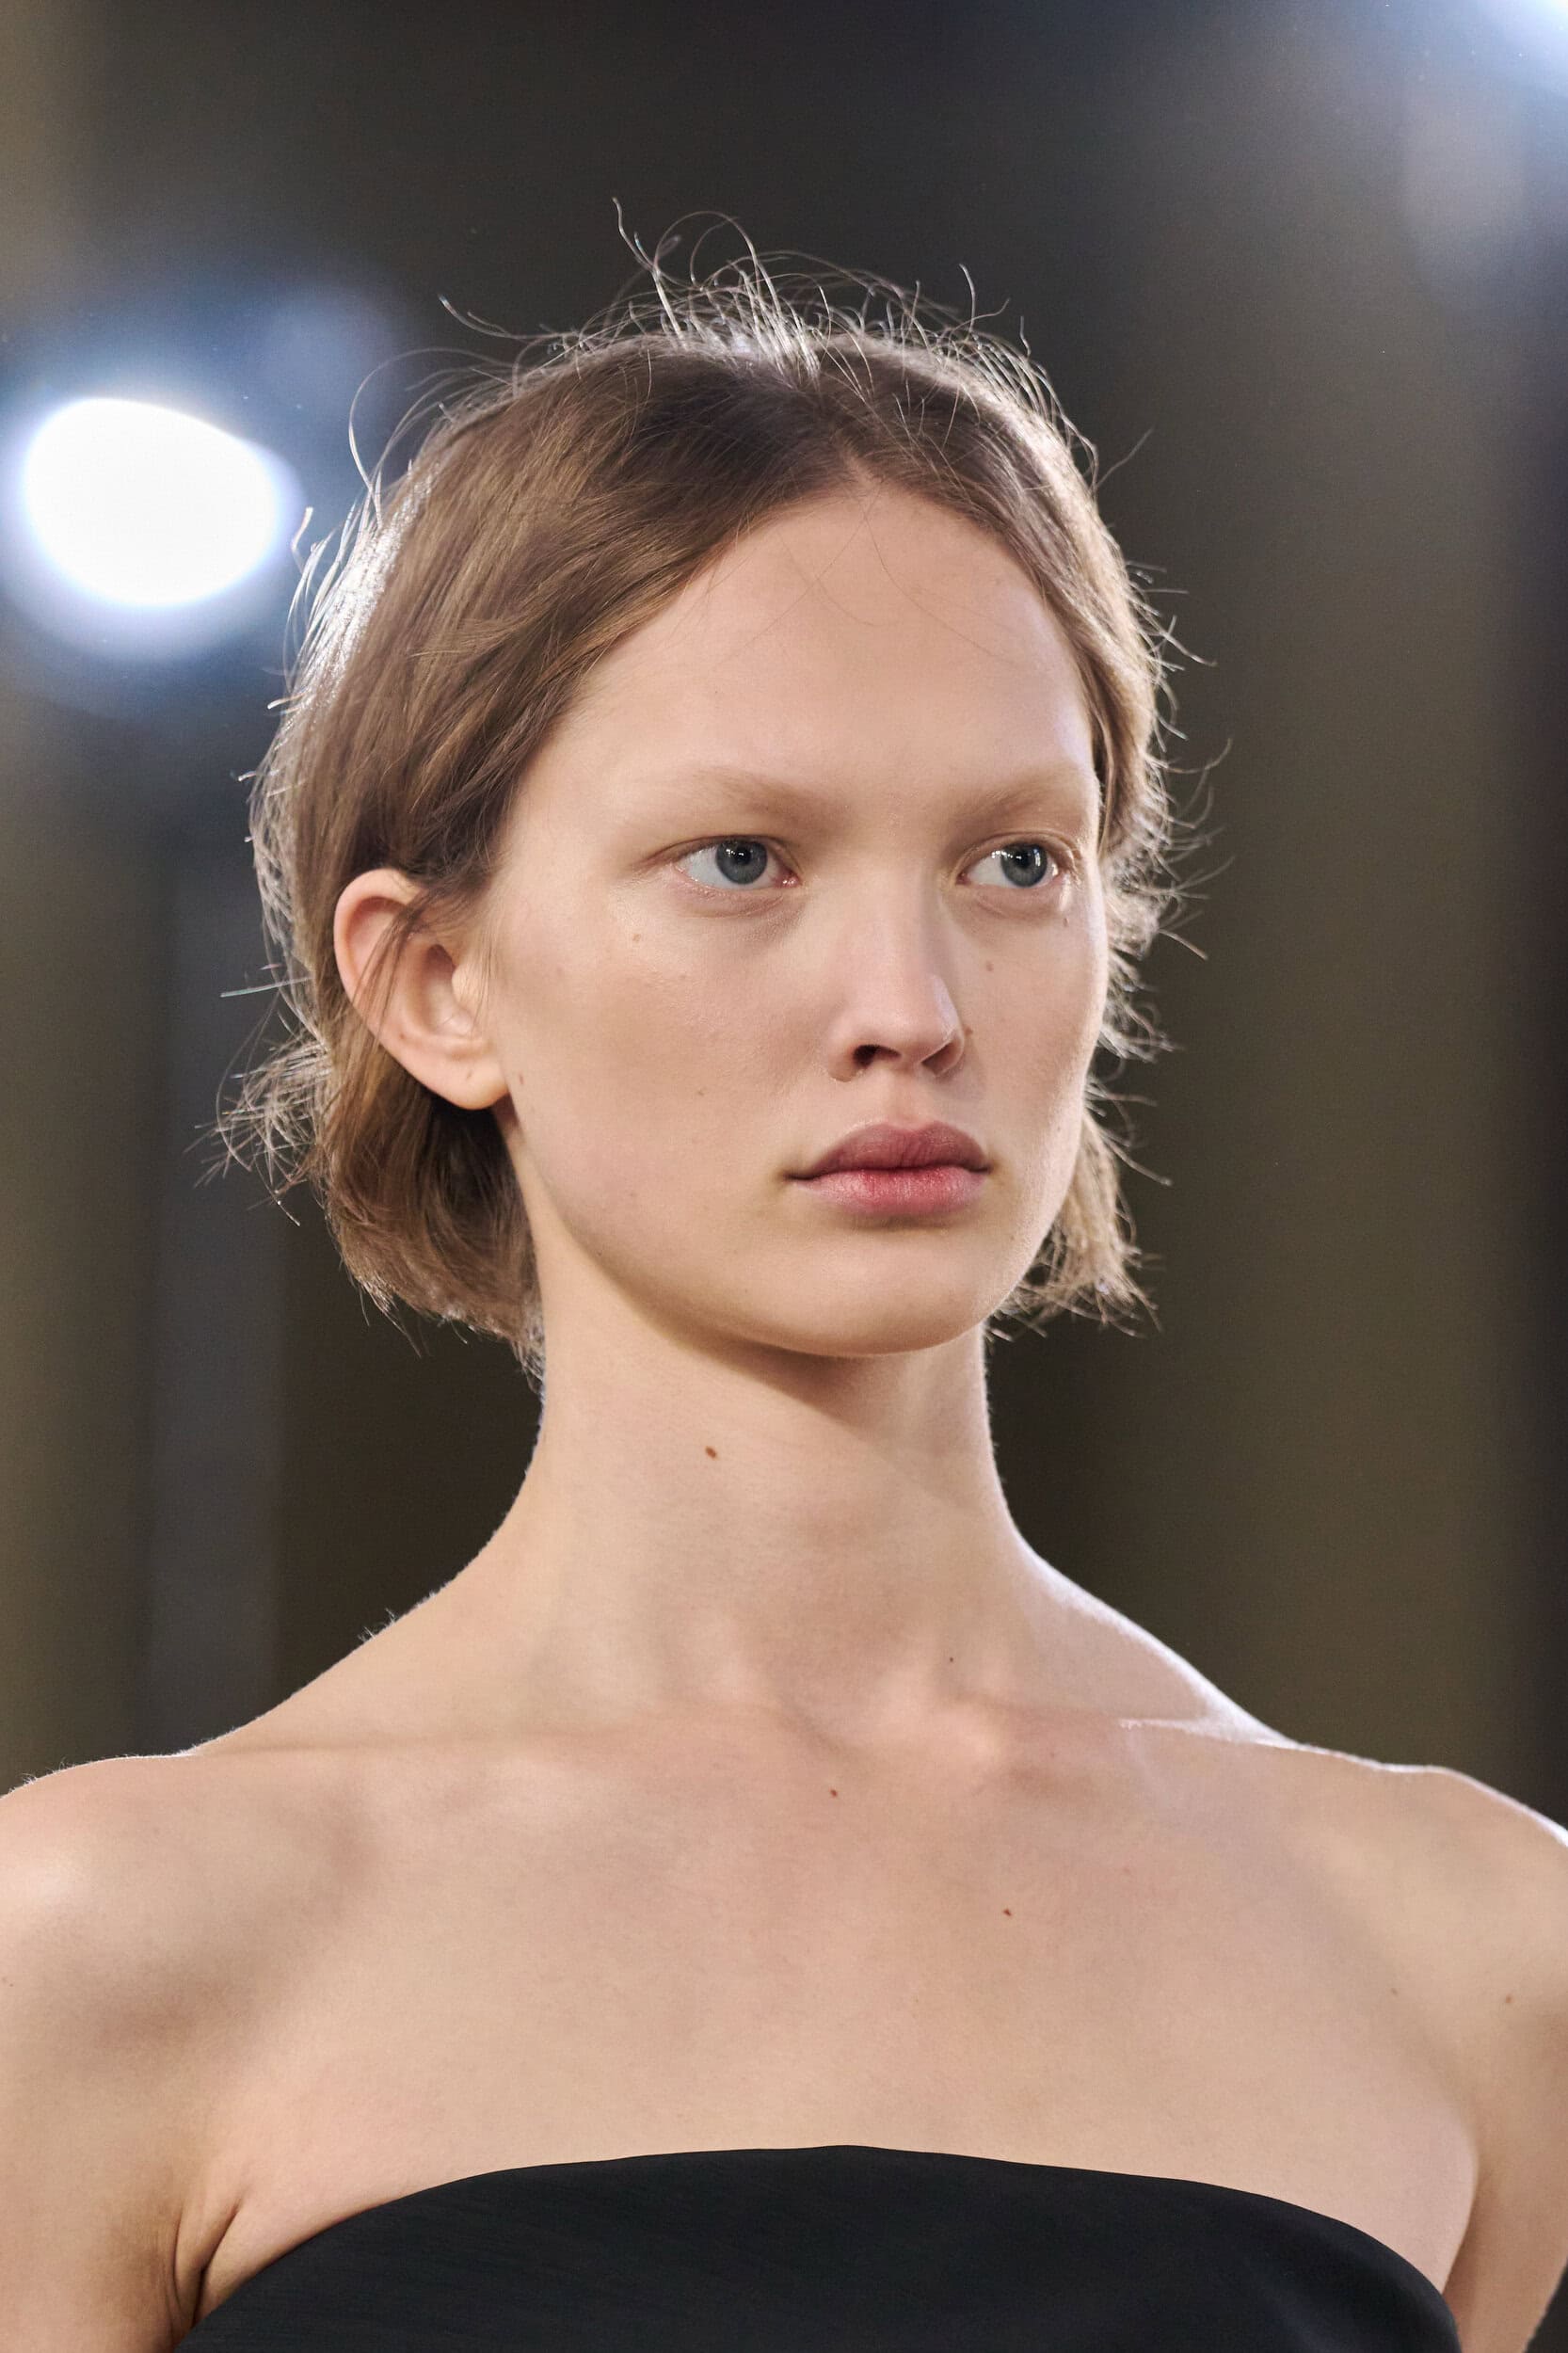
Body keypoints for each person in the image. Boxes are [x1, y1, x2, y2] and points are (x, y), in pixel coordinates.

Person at [4, 244, 1567, 2353]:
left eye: (1013, 861)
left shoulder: (1472, 1957)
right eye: (742, 860)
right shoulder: (107, 1950)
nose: (910, 1007)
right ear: (435, 980)